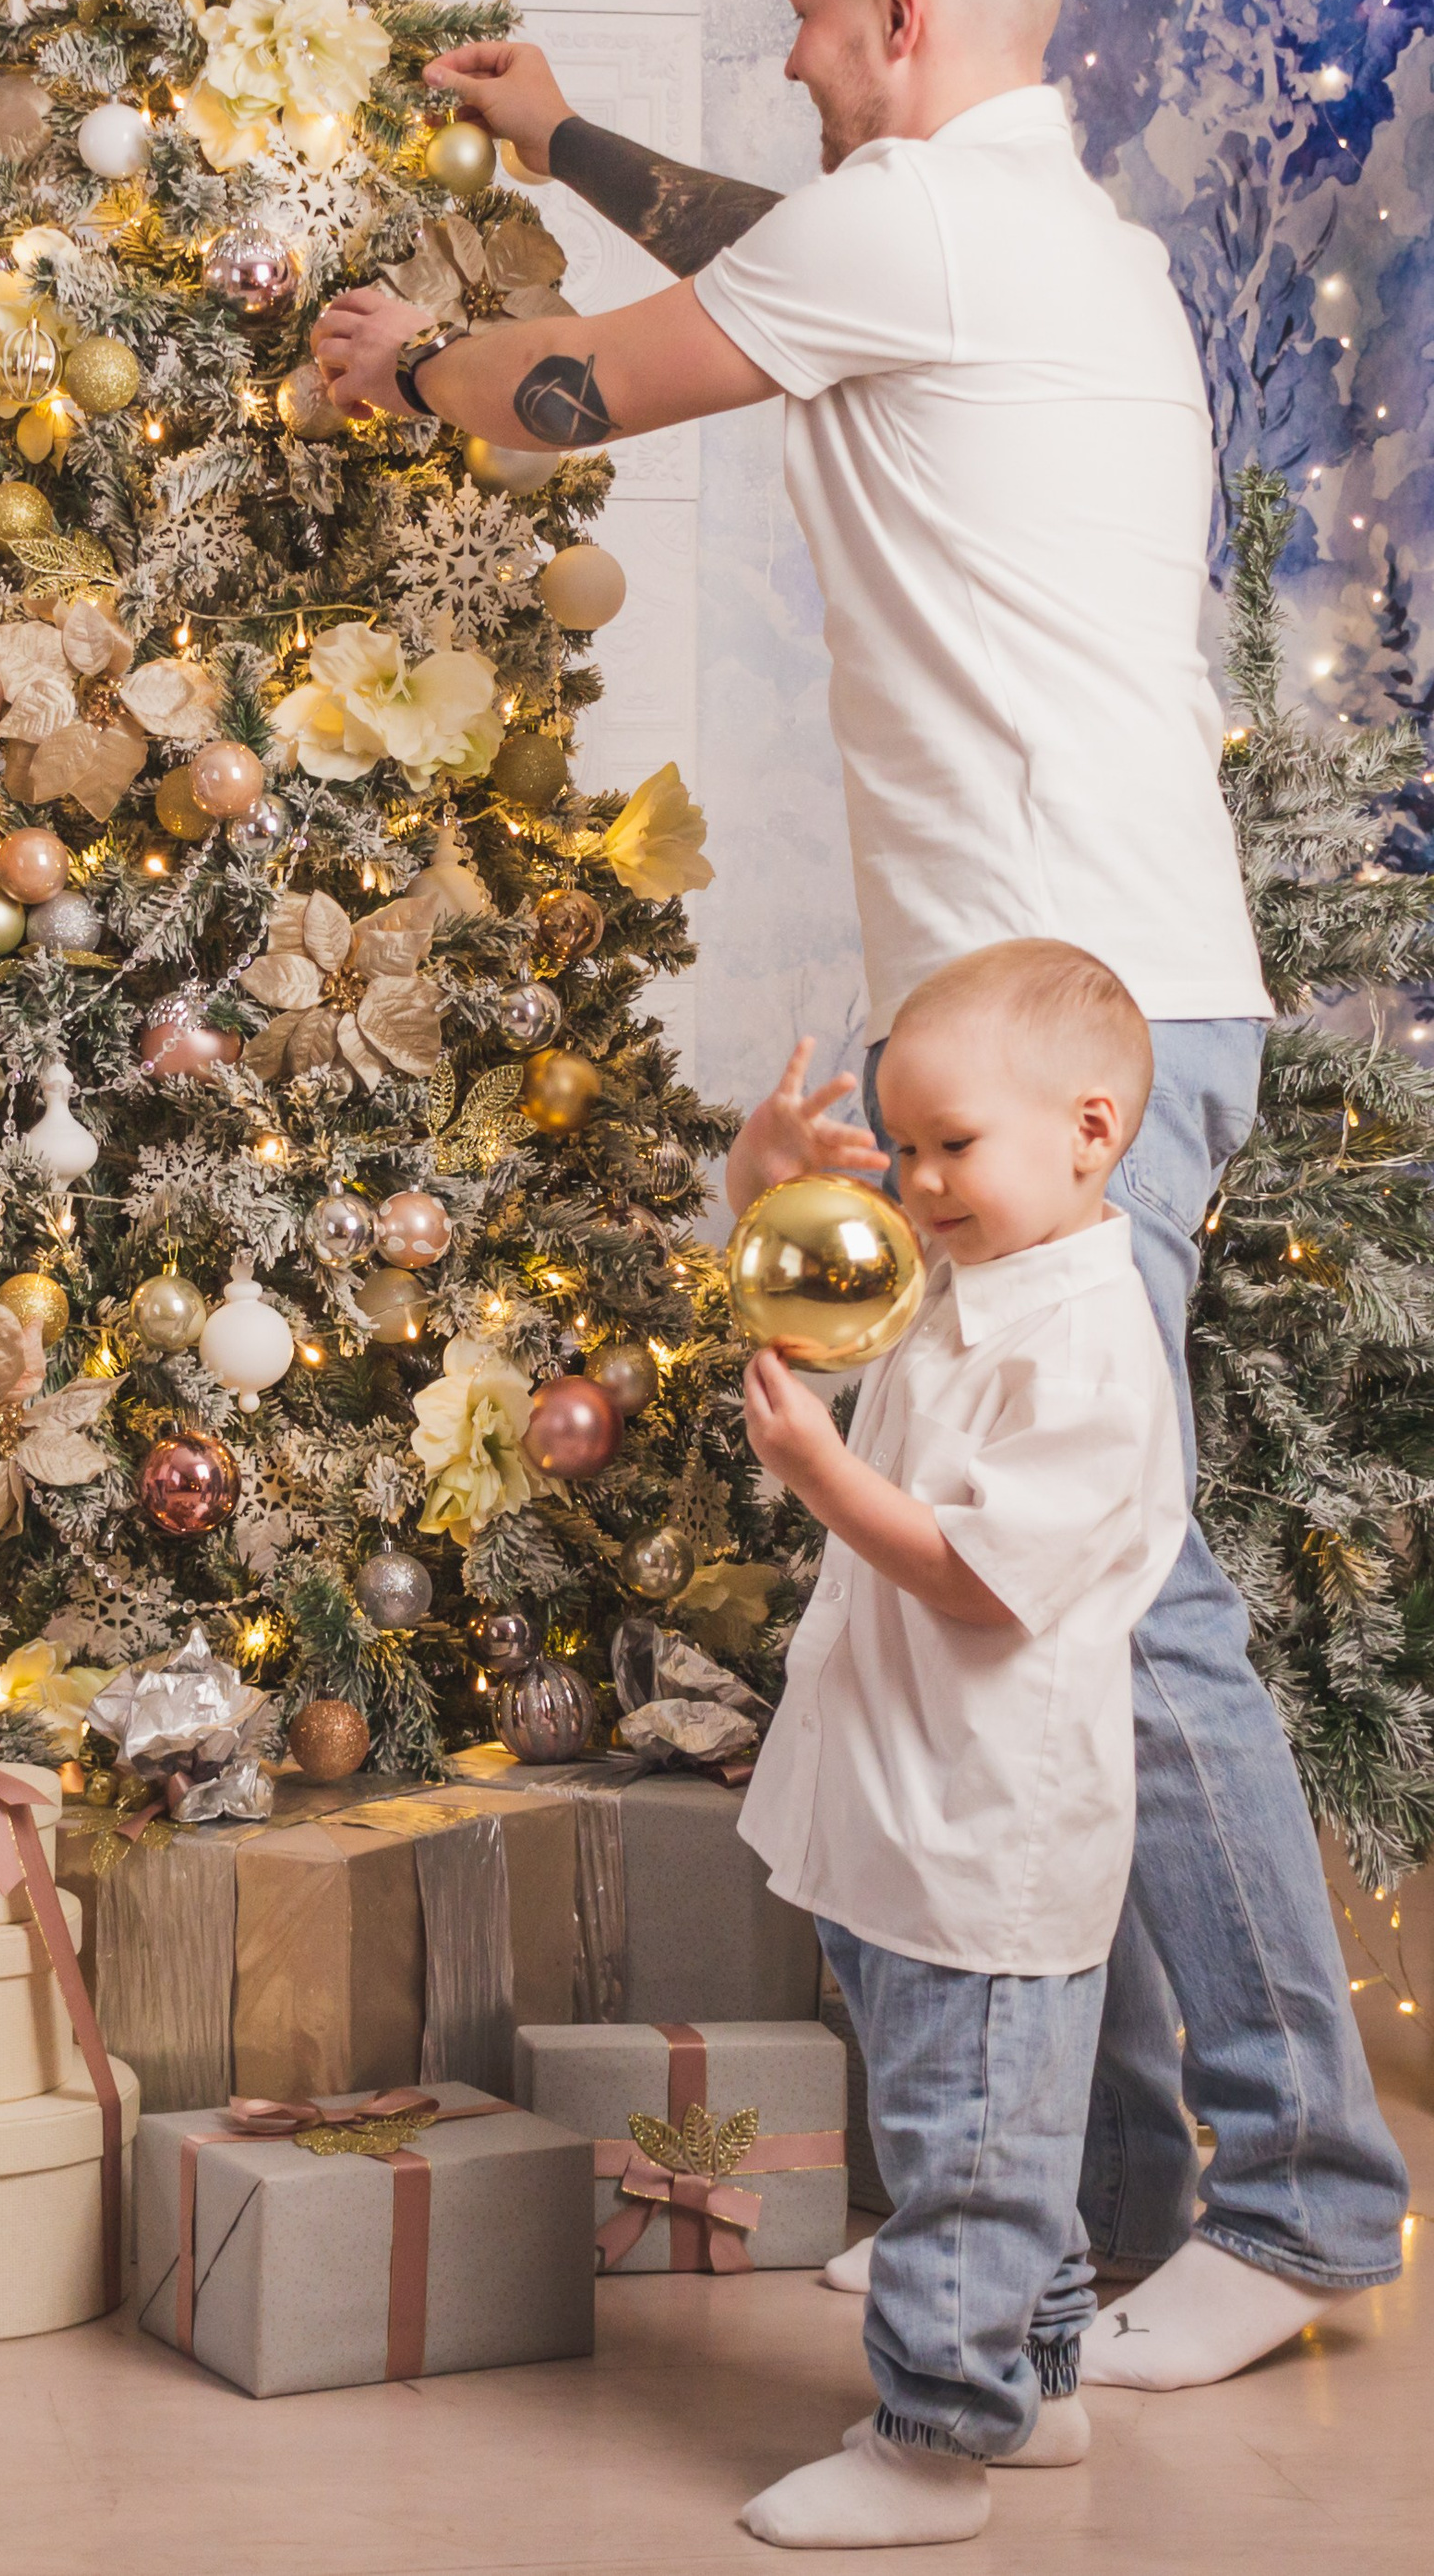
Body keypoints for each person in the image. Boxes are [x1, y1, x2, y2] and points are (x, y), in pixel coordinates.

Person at [310, 0, 1409, 2389]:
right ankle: (1084, 2213)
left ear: (897, 20)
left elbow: (567, 390)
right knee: (1034, 1612)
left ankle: (1296, 2204)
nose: (788, 53)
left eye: (812, 11)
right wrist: (560, 140)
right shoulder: (1034, 235)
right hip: (1098, 1011)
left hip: (1074, 1041)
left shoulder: (913, 231)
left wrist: (401, 359)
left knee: (1104, 1601)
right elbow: (756, 241)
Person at [728, 944, 1182, 2548]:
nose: (916, 1185)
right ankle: (1038, 2382)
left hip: (988, 1827)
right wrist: (764, 1174)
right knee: (979, 2127)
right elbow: (817, 1281)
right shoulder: (979, 1269)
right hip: (900, 1802)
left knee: (967, 2154)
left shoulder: (1089, 1350)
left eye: (953, 1147)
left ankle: (935, 2442)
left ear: (1090, 1130)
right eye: (904, 1147)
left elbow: (982, 1578)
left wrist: (820, 1476)